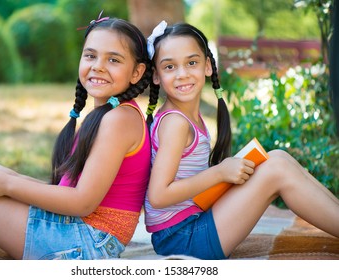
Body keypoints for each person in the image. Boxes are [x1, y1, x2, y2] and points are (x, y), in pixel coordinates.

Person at [0, 15, 155, 260]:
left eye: (113, 59)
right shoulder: (106, 115)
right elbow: (65, 191)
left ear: (137, 72)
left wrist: (8, 185)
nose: (98, 66)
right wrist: (9, 175)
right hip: (80, 233)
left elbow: (81, 203)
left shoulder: (119, 120)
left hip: (89, 243)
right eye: (90, 55)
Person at [144, 21, 339, 260]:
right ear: (156, 75)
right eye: (170, 67)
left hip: (189, 225)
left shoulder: (184, 117)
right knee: (276, 169)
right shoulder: (175, 123)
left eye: (191, 63)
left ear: (207, 66)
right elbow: (158, 195)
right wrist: (220, 173)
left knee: (277, 157)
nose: (182, 73)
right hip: (182, 238)